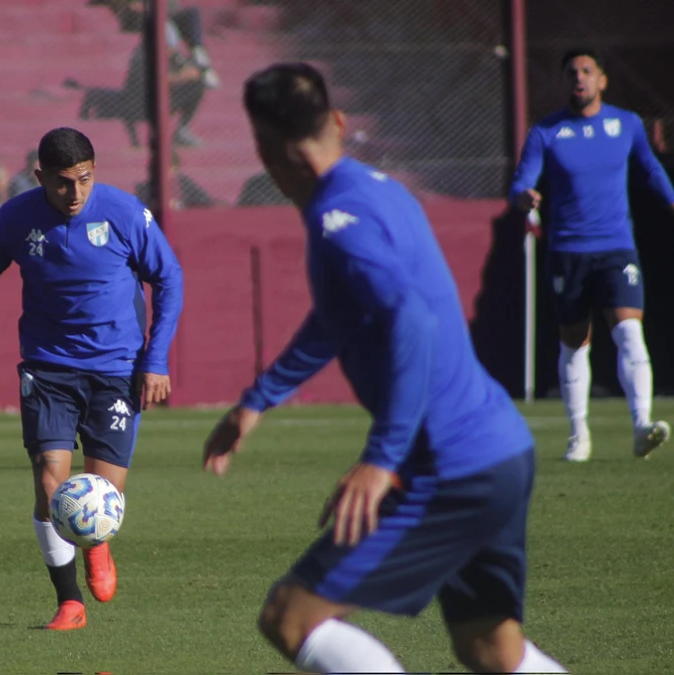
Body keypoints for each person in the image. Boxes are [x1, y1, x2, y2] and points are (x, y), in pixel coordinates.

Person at [202, 63, 567, 674]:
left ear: (264, 152)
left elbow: (412, 320)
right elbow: (340, 315)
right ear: (338, 122)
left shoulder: (337, 223)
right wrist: (260, 399)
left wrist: (382, 458)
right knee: (490, 649)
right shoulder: (379, 189)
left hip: (450, 468)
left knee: (291, 617)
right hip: (500, 451)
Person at [0, 127, 184, 631]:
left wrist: (156, 361)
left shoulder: (125, 213)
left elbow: (169, 277)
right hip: (48, 366)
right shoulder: (16, 218)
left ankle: (95, 540)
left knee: (103, 494)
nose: (75, 193)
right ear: (40, 176)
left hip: (117, 368)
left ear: (94, 171)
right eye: (63, 182)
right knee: (50, 482)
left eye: (84, 179)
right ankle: (69, 603)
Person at [509, 47, 674, 463]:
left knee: (629, 333)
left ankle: (641, 426)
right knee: (575, 342)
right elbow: (521, 181)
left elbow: (650, 169)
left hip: (617, 247)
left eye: (586, 71)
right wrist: (524, 196)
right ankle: (578, 434)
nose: (579, 78)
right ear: (563, 82)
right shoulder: (546, 132)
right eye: (571, 72)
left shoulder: (626, 124)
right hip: (568, 252)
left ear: (602, 79)